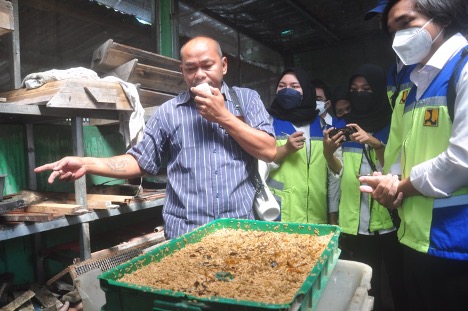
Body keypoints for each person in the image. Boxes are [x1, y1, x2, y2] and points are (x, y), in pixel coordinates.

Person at [34, 36, 277, 240]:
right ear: (182, 71)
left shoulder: (246, 100)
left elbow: (268, 150)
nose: (200, 75)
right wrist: (87, 163)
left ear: (223, 65)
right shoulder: (169, 112)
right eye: (191, 68)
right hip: (185, 233)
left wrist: (223, 116)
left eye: (207, 65)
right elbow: (140, 162)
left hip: (239, 230)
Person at [360, 1, 468, 310]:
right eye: (393, 31)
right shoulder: (416, 84)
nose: (399, 37)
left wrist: (402, 187)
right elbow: (404, 148)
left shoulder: (463, 68)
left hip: (457, 244)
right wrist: (391, 180)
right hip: (416, 239)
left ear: (441, 15)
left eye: (407, 22)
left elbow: (463, 158)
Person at [325, 64, 405, 311]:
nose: (360, 94)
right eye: (354, 89)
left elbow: (399, 170)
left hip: (391, 221)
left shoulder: (395, 124)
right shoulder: (346, 126)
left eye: (367, 89)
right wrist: (328, 153)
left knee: (399, 282)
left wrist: (376, 144)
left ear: (379, 90)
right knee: (366, 286)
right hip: (356, 224)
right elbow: (338, 173)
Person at [266, 68, 337, 224]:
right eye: (282, 86)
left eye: (295, 86)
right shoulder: (267, 122)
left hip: (316, 215)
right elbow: (256, 167)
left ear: (306, 90)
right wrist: (285, 150)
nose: (287, 90)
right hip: (279, 215)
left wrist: (333, 216)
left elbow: (333, 177)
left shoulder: (321, 125)